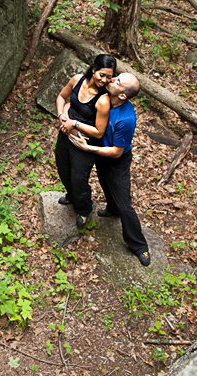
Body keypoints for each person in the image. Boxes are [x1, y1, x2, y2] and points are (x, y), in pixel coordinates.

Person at [70, 73, 150, 267]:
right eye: (116, 77)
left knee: (124, 204)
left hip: (116, 160)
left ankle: (139, 245)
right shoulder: (103, 97)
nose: (112, 79)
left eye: (117, 81)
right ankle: (110, 208)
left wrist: (88, 148)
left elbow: (116, 152)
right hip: (100, 153)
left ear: (122, 95)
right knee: (105, 183)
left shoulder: (126, 119)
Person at [54, 54, 116, 228]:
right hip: (65, 134)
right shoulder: (77, 80)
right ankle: (72, 197)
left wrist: (75, 123)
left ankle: (83, 209)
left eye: (109, 77)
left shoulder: (103, 100)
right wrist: (62, 115)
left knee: (79, 179)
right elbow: (61, 97)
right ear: (94, 69)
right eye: (101, 75)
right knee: (63, 170)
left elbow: (99, 132)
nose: (104, 80)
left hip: (84, 143)